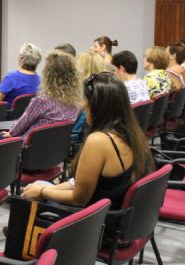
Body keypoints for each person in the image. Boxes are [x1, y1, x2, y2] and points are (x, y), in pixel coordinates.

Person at [22, 73, 153, 209]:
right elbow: (85, 183)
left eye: (85, 100)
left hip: (93, 220)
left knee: (34, 192)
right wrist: (48, 189)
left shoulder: (99, 141)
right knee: (39, 185)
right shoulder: (132, 134)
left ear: (95, 105)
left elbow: (78, 199)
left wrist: (42, 192)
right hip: (110, 213)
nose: (83, 105)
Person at [0, 50, 81, 165]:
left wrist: (11, 133)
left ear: (48, 76)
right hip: (51, 156)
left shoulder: (42, 101)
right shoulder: (75, 104)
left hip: (25, 154)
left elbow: (18, 128)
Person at [0, 42, 41, 108]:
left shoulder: (11, 78)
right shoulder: (39, 80)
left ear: (20, 58)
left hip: (9, 117)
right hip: (30, 117)